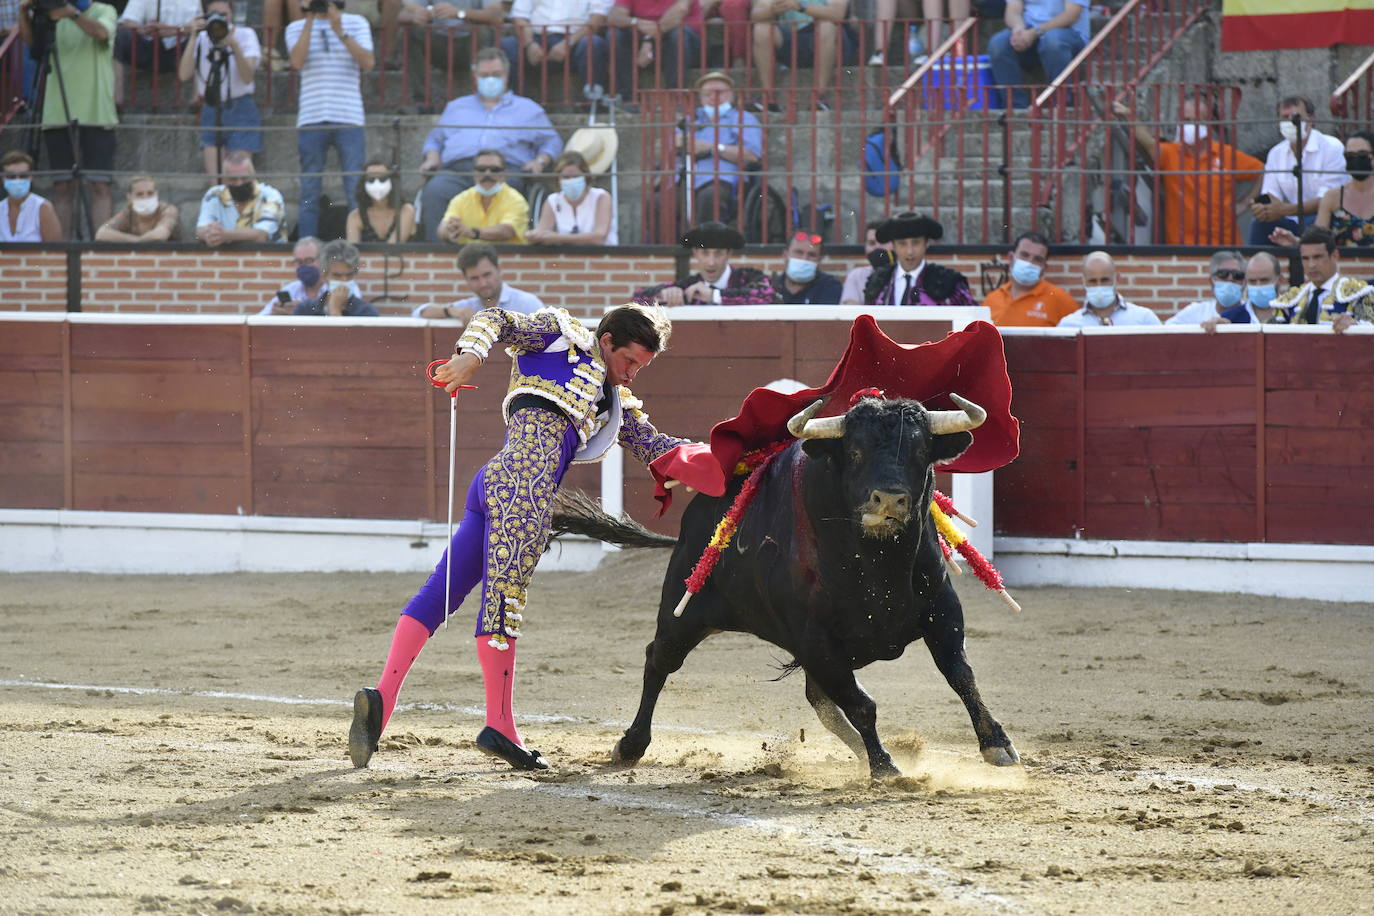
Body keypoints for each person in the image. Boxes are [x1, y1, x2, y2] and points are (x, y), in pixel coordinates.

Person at [346, 301, 690, 772]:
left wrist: (717, 457)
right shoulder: (558, 333)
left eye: (640, 368)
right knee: (502, 606)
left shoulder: (614, 399)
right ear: (607, 341)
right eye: (629, 361)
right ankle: (499, 727)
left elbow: (656, 445)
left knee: (440, 593)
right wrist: (471, 354)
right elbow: (498, 319)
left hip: (492, 480)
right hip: (523, 492)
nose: (631, 375)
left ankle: (381, 700)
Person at [418, 48, 561, 243]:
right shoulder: (456, 107)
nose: (490, 79)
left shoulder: (528, 109)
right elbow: (435, 139)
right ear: (475, 76)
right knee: (435, 190)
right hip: (458, 171)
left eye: (496, 75)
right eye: (484, 75)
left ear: (506, 75)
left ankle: (498, 257)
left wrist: (540, 161)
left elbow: (551, 140)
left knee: (509, 193)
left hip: (505, 172)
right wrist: (432, 157)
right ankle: (439, 258)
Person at [18, 0, 117, 238]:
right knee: (62, 186)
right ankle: (59, 252)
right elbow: (34, 46)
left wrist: (72, 14)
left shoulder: (105, 10)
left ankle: (101, 250)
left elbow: (101, 33)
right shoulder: (50, 16)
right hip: (57, 114)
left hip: (96, 112)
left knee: (100, 186)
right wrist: (24, 11)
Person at [1112, 94, 1263, 247]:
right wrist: (1129, 116)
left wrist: (1245, 204)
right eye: (1184, 120)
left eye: (1194, 121)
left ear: (1208, 124)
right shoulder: (1170, 154)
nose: (1187, 125)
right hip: (1183, 249)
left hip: (1224, 244)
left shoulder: (1225, 155)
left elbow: (1262, 171)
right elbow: (1147, 140)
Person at [287, 0, 374, 239]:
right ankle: (306, 245)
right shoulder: (295, 27)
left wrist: (339, 30)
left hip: (349, 116)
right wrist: (309, 22)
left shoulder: (356, 23)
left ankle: (358, 244)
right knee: (309, 190)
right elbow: (296, 62)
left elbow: (368, 63)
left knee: (355, 188)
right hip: (311, 117)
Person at [1247, 96, 1348, 247]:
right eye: (1285, 117)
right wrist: (1262, 208)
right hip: (1293, 218)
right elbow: (1270, 195)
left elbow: (1328, 200)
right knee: (1259, 223)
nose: (1290, 122)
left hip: (1327, 216)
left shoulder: (1332, 147)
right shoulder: (1276, 153)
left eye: (1296, 117)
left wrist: (1283, 210)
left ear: (1311, 119)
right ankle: (1259, 269)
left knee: (1315, 222)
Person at [178, 0, 262, 176]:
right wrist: (193, 36)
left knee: (239, 177)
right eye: (213, 15)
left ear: (232, 15)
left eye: (223, 15)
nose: (219, 20)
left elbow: (247, 77)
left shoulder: (246, 34)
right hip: (211, 107)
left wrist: (234, 45)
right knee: (217, 182)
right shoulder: (201, 39)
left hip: (241, 107)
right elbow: (184, 75)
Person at [677, 70, 762, 228]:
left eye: (720, 93)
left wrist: (712, 148)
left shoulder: (742, 118)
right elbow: (665, 148)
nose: (713, 98)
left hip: (723, 180)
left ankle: (705, 248)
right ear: (700, 98)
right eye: (707, 94)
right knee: (656, 203)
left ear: (732, 95)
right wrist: (676, 143)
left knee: (710, 198)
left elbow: (752, 155)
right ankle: (673, 250)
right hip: (686, 180)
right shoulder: (691, 119)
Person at [1270, 131, 1374, 250]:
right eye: (1349, 156)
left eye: (1362, 155)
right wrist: (1295, 241)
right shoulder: (1332, 197)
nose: (1355, 160)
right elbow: (1317, 240)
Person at [634, 220, 779, 304]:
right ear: (695, 254)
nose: (711, 262)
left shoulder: (748, 277)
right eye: (705, 253)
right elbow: (638, 298)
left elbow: (768, 295)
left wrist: (714, 296)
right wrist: (664, 294)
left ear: (729, 254)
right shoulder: (689, 286)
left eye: (718, 254)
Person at [748, 0, 850, 112]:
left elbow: (837, 14)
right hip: (791, 40)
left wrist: (800, 6)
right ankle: (768, 97)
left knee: (826, 25)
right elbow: (756, 15)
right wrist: (773, 9)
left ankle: (820, 96)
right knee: (761, 28)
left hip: (831, 42)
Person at [1270, 227, 1374, 335]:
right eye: (1305, 258)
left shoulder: (1358, 294)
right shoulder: (1292, 300)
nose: (1311, 265)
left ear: (1334, 256)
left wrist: (1355, 325)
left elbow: (1370, 331)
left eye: (1317, 257)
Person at [987, 0, 1088, 110]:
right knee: (998, 44)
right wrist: (1018, 29)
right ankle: (1015, 109)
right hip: (1030, 32)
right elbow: (1013, 11)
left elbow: (1071, 14)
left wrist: (1035, 32)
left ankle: (1061, 106)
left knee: (1053, 42)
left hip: (1069, 33)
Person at [501, 0, 611, 96]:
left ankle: (593, 104)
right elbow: (519, 17)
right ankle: (517, 102)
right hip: (535, 39)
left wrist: (569, 42)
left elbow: (597, 19)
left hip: (576, 41)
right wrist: (529, 44)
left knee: (593, 44)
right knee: (506, 45)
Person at [863, 211, 975, 306]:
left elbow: (969, 323)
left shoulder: (948, 282)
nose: (909, 251)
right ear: (894, 246)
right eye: (902, 244)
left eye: (916, 243)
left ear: (926, 244)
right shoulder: (878, 282)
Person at [411, 241, 545, 320]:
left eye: (487, 275)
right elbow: (418, 314)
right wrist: (450, 311)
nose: (483, 283)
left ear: (498, 270)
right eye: (474, 278)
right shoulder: (469, 307)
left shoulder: (527, 303)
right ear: (466, 279)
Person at [525, 145, 616, 245]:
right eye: (566, 177)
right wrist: (533, 236)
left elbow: (599, 237)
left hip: (602, 258)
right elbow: (542, 232)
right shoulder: (553, 200)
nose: (571, 180)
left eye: (576, 176)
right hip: (567, 258)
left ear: (586, 176)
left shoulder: (601, 197)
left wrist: (556, 238)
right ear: (558, 180)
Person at [981, 230, 1076, 326]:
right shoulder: (991, 300)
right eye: (1024, 255)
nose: (1030, 262)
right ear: (1011, 258)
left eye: (1038, 259)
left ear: (1044, 267)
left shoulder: (1061, 300)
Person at [607, 0, 703, 94]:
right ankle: (627, 97)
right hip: (646, 44)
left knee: (677, 34)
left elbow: (678, 13)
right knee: (614, 35)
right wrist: (635, 22)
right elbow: (614, 16)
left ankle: (676, 96)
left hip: (687, 47)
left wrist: (648, 41)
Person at [436, 150, 530, 245]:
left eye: (494, 170)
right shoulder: (461, 199)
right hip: (470, 257)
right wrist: (450, 230)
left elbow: (506, 231)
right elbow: (442, 229)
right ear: (473, 173)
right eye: (481, 169)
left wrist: (472, 233)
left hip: (508, 257)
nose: (487, 174)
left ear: (504, 174)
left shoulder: (516, 200)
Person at [196, 150, 286, 246]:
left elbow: (261, 235)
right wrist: (209, 235)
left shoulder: (270, 196)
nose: (239, 183)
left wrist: (224, 235)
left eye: (244, 178)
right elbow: (200, 230)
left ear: (254, 175)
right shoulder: (214, 195)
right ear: (224, 179)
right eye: (233, 179)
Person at [113, 0, 198, 101]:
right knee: (120, 36)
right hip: (149, 47)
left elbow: (202, 23)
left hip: (182, 51)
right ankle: (117, 100)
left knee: (201, 38)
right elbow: (127, 20)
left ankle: (196, 100)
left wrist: (175, 30)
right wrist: (144, 29)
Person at [259, 236, 366, 314]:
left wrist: (300, 314)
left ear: (322, 260)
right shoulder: (291, 289)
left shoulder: (344, 285)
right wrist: (273, 316)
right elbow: (259, 319)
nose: (304, 266)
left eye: (309, 260)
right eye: (299, 262)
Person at [1058, 250, 1161, 327]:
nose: (1099, 286)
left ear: (1117, 278)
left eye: (1105, 280)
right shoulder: (1068, 325)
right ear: (1083, 281)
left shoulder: (1144, 319)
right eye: (1093, 281)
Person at [1201, 251, 1284, 333]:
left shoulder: (1294, 314)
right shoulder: (1229, 318)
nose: (1258, 285)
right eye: (1252, 281)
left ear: (1279, 280)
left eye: (1264, 280)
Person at [292, 239, 380, 316]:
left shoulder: (366, 312)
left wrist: (335, 311)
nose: (344, 280)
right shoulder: (305, 310)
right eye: (337, 275)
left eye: (349, 275)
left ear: (355, 274)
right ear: (324, 276)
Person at [1164, 249, 1246, 326]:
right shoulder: (1195, 312)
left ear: (1244, 282)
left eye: (1237, 275)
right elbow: (1166, 332)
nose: (1230, 278)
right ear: (1211, 282)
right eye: (1223, 274)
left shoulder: (1252, 312)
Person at [346, 158, 417, 243]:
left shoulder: (406, 211)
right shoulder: (355, 216)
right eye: (371, 179)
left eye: (382, 179)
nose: (377, 184)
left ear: (392, 181)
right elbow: (352, 250)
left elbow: (392, 248)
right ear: (363, 183)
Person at [94, 173, 182, 241]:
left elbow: (160, 234)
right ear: (129, 197)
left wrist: (139, 241)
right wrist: (134, 240)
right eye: (139, 194)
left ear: (157, 194)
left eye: (150, 193)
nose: (145, 197)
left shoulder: (168, 210)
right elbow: (102, 232)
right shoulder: (128, 212)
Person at [1, 151, 63, 242]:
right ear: (2, 178)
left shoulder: (43, 208)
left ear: (31, 177)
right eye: (11, 176)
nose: (17, 180)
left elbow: (55, 252)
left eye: (23, 176)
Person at [771, 231, 842, 304]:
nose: (804, 259)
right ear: (785, 255)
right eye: (799, 252)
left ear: (819, 259)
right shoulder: (770, 288)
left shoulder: (830, 287)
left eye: (812, 255)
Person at [840, 220, 888, 305]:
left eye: (883, 242)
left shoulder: (903, 275)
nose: (877, 247)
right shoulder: (856, 276)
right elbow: (851, 313)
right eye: (872, 243)